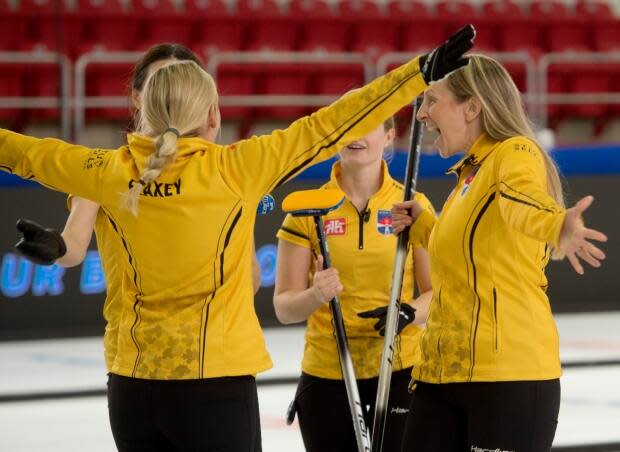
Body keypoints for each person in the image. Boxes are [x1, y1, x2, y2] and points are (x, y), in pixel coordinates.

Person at [1, 26, 475, 452]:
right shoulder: (236, 169)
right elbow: (332, 123)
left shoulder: (107, 171)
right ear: (212, 114)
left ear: (141, 107)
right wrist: (418, 74)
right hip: (215, 390)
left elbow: (23, 152)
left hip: (131, 389)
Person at [391, 54, 608, 452]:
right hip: (441, 374)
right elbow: (475, 252)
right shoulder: (469, 174)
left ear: (472, 106)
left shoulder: (515, 154)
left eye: (432, 101)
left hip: (507, 377)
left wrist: (556, 225)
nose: (421, 115)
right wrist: (424, 224)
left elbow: (521, 203)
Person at [13, 44, 263, 375]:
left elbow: (252, 280)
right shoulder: (107, 171)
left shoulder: (228, 174)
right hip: (136, 361)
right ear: (137, 97)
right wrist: (55, 246)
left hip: (215, 364)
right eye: (161, 83)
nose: (171, 94)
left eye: (182, 84)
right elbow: (73, 247)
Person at [273, 115, 436, 452]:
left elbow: (438, 294)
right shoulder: (306, 209)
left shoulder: (411, 206)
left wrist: (406, 313)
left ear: (389, 135)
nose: (354, 136)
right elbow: (284, 308)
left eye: (368, 125)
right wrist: (315, 294)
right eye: (346, 126)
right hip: (327, 372)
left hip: (399, 369)